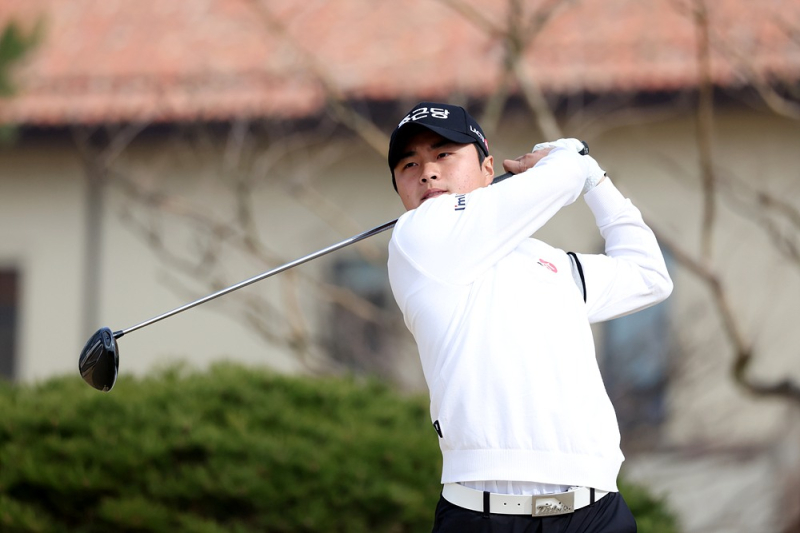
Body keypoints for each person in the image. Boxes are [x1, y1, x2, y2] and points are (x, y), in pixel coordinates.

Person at [385, 102, 673, 533]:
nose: (427, 172)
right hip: (484, 517)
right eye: (410, 164)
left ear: (488, 169)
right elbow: (564, 175)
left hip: (596, 511)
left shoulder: (549, 263)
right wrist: (571, 157)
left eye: (443, 154)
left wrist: (596, 181)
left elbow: (650, 275)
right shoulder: (417, 238)